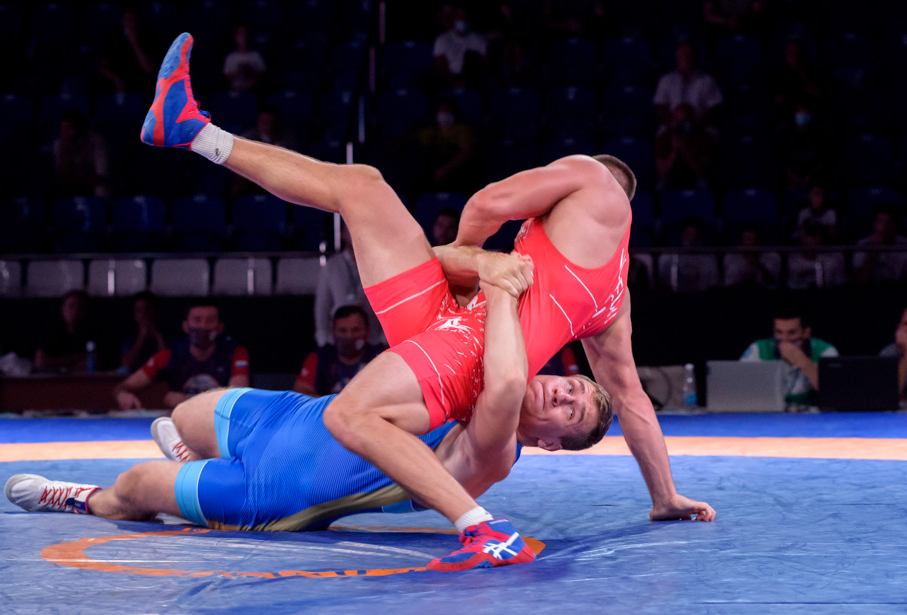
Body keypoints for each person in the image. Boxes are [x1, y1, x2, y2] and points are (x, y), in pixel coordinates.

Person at [138, 33, 714, 569]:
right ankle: (193, 130)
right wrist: (664, 497)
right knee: (362, 187)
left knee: (352, 413)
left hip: (467, 355)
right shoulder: (614, 297)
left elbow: (486, 204)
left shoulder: (592, 180)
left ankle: (477, 527)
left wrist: (469, 263)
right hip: (458, 329)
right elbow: (631, 399)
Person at [4, 278, 599, 572]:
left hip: (274, 491)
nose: (562, 391)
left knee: (134, 486)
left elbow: (507, 382)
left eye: (570, 410)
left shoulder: (495, 449)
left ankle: (83, 498)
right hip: (289, 414)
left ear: (550, 442)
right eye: (572, 385)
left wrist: (502, 288)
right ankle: (194, 461)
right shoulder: (479, 370)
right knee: (184, 413)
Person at [114, 301, 248, 410]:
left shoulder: (235, 353)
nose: (203, 326)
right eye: (197, 320)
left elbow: (237, 399)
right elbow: (123, 387)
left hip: (221, 425)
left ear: (219, 328)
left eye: (210, 321)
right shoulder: (170, 356)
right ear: (186, 326)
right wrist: (123, 394)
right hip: (182, 426)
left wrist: (189, 402)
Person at [740, 304, 838, 408]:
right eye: (779, 332)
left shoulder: (825, 351)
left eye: (792, 332)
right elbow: (740, 387)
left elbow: (833, 393)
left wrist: (802, 361)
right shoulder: (758, 349)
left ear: (806, 332)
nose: (785, 339)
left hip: (810, 415)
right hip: (768, 413)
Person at [313, 223, 384, 348]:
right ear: (342, 234)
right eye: (351, 229)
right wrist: (323, 341)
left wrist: (383, 340)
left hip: (373, 339)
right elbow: (322, 306)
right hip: (338, 342)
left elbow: (388, 302)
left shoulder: (379, 264)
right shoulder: (331, 266)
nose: (356, 234)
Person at [295, 304, 384, 398]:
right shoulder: (319, 357)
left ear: (367, 331)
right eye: (342, 330)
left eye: (355, 330)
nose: (349, 336)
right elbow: (300, 394)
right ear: (333, 332)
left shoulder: (381, 358)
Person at [653, 42, 724, 130]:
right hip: (672, 126)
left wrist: (699, 125)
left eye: (689, 54)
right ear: (677, 56)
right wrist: (671, 123)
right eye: (682, 54)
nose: (685, 57)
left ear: (695, 56)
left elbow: (715, 107)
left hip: (701, 126)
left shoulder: (708, 80)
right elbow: (661, 106)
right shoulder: (666, 80)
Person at [415, 99, 480, 193]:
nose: (443, 114)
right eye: (441, 111)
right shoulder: (430, 131)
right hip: (434, 171)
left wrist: (445, 169)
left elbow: (466, 153)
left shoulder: (462, 130)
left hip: (456, 172)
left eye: (446, 111)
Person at [655, 103, 716, 191]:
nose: (681, 126)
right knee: (660, 186)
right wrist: (674, 152)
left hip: (695, 179)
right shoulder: (664, 138)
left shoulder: (703, 138)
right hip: (672, 179)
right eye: (677, 121)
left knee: (704, 184)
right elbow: (662, 172)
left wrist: (685, 150)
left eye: (684, 121)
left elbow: (702, 173)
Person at [35, 290, 97, 374]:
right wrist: (74, 360)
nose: (75, 312)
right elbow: (40, 362)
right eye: (71, 307)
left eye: (80, 308)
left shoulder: (93, 333)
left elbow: (95, 363)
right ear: (63, 309)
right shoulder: (52, 331)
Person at [53, 109, 110, 198]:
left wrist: (78, 183)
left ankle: (100, 206)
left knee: (101, 189)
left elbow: (102, 175)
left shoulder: (96, 141)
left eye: (69, 128)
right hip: (71, 186)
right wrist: (65, 151)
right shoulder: (59, 144)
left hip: (90, 185)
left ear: (80, 128)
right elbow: (61, 177)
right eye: (63, 129)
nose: (65, 133)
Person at [657, 216, 721, 292]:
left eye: (695, 234)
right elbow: (663, 285)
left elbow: (713, 285)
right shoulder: (668, 258)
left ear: (700, 236)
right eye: (688, 234)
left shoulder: (709, 259)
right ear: (682, 234)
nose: (691, 238)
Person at [432, 5, 488, 89]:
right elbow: (440, 67)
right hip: (450, 82)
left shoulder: (480, 39)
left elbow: (485, 64)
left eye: (465, 17)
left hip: (473, 82)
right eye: (460, 17)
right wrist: (454, 81)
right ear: (454, 19)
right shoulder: (442, 39)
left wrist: (470, 80)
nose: (463, 20)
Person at [852, 204, 907, 286]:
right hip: (869, 291)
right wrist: (874, 250)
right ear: (874, 223)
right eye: (880, 222)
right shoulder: (863, 244)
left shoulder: (904, 245)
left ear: (896, 225)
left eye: (889, 222)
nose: (884, 227)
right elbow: (860, 281)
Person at [786, 223, 847, 290]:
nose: (811, 240)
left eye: (815, 236)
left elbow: (840, 285)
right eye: (808, 235)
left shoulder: (833, 260)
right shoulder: (791, 260)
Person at [118, 291, 167, 373]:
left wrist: (158, 337)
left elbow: (170, 363)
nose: (143, 314)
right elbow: (126, 364)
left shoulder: (166, 333)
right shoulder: (130, 336)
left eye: (147, 309)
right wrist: (141, 337)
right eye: (138, 310)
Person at [222, 24, 266, 94]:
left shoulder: (256, 55)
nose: (243, 37)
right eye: (240, 34)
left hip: (253, 93)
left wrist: (250, 71)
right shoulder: (230, 57)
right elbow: (227, 76)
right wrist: (239, 72)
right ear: (236, 37)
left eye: (245, 34)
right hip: (235, 92)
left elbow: (262, 74)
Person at [878, 306, 907, 403]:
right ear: (898, 327)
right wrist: (906, 354)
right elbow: (888, 397)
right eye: (906, 324)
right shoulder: (888, 353)